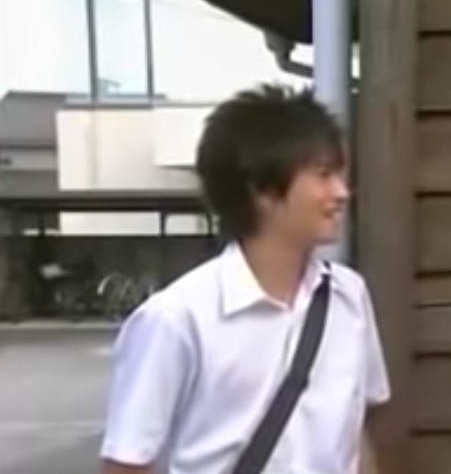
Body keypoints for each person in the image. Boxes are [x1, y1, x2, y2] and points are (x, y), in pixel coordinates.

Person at [99, 85, 390, 474]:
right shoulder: (176, 319)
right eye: (323, 175)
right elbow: (127, 463)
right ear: (262, 189)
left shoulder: (348, 296)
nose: (341, 193)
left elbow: (356, 433)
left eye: (339, 175)